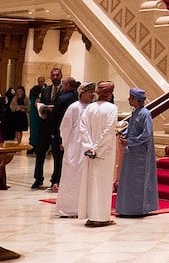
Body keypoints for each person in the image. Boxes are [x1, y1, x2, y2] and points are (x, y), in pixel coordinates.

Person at [79, 81, 119, 228]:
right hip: (104, 153)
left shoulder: (89, 108)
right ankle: (101, 217)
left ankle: (91, 216)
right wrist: (98, 149)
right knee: (102, 184)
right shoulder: (112, 108)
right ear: (109, 94)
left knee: (91, 183)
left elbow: (82, 128)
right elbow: (108, 131)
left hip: (90, 152)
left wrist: (89, 147)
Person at [116, 87, 159, 219]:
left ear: (136, 99)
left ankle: (139, 208)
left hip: (140, 153)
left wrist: (131, 141)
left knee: (138, 181)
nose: (129, 99)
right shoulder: (135, 112)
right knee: (129, 179)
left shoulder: (145, 114)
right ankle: (127, 207)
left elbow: (147, 133)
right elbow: (132, 128)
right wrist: (124, 135)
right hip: (131, 152)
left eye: (131, 97)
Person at [55, 81, 94, 217]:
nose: (91, 95)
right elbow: (65, 127)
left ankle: (82, 208)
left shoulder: (91, 108)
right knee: (71, 175)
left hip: (86, 146)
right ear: (82, 93)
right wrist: (65, 142)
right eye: (89, 92)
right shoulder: (74, 107)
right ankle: (68, 208)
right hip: (73, 145)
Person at [34, 73, 74, 191]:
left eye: (58, 75)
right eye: (53, 75)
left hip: (57, 127)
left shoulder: (65, 92)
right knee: (40, 153)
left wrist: (54, 109)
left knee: (57, 155)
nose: (55, 77)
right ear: (50, 77)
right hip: (45, 125)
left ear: (61, 77)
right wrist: (43, 107)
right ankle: (38, 179)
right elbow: (39, 102)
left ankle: (55, 179)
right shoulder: (46, 90)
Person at [27, 75, 45, 153]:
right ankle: (32, 146)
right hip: (34, 112)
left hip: (42, 112)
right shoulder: (34, 89)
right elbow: (32, 100)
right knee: (34, 129)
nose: (40, 82)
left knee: (41, 130)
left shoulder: (46, 89)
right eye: (39, 81)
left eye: (42, 81)